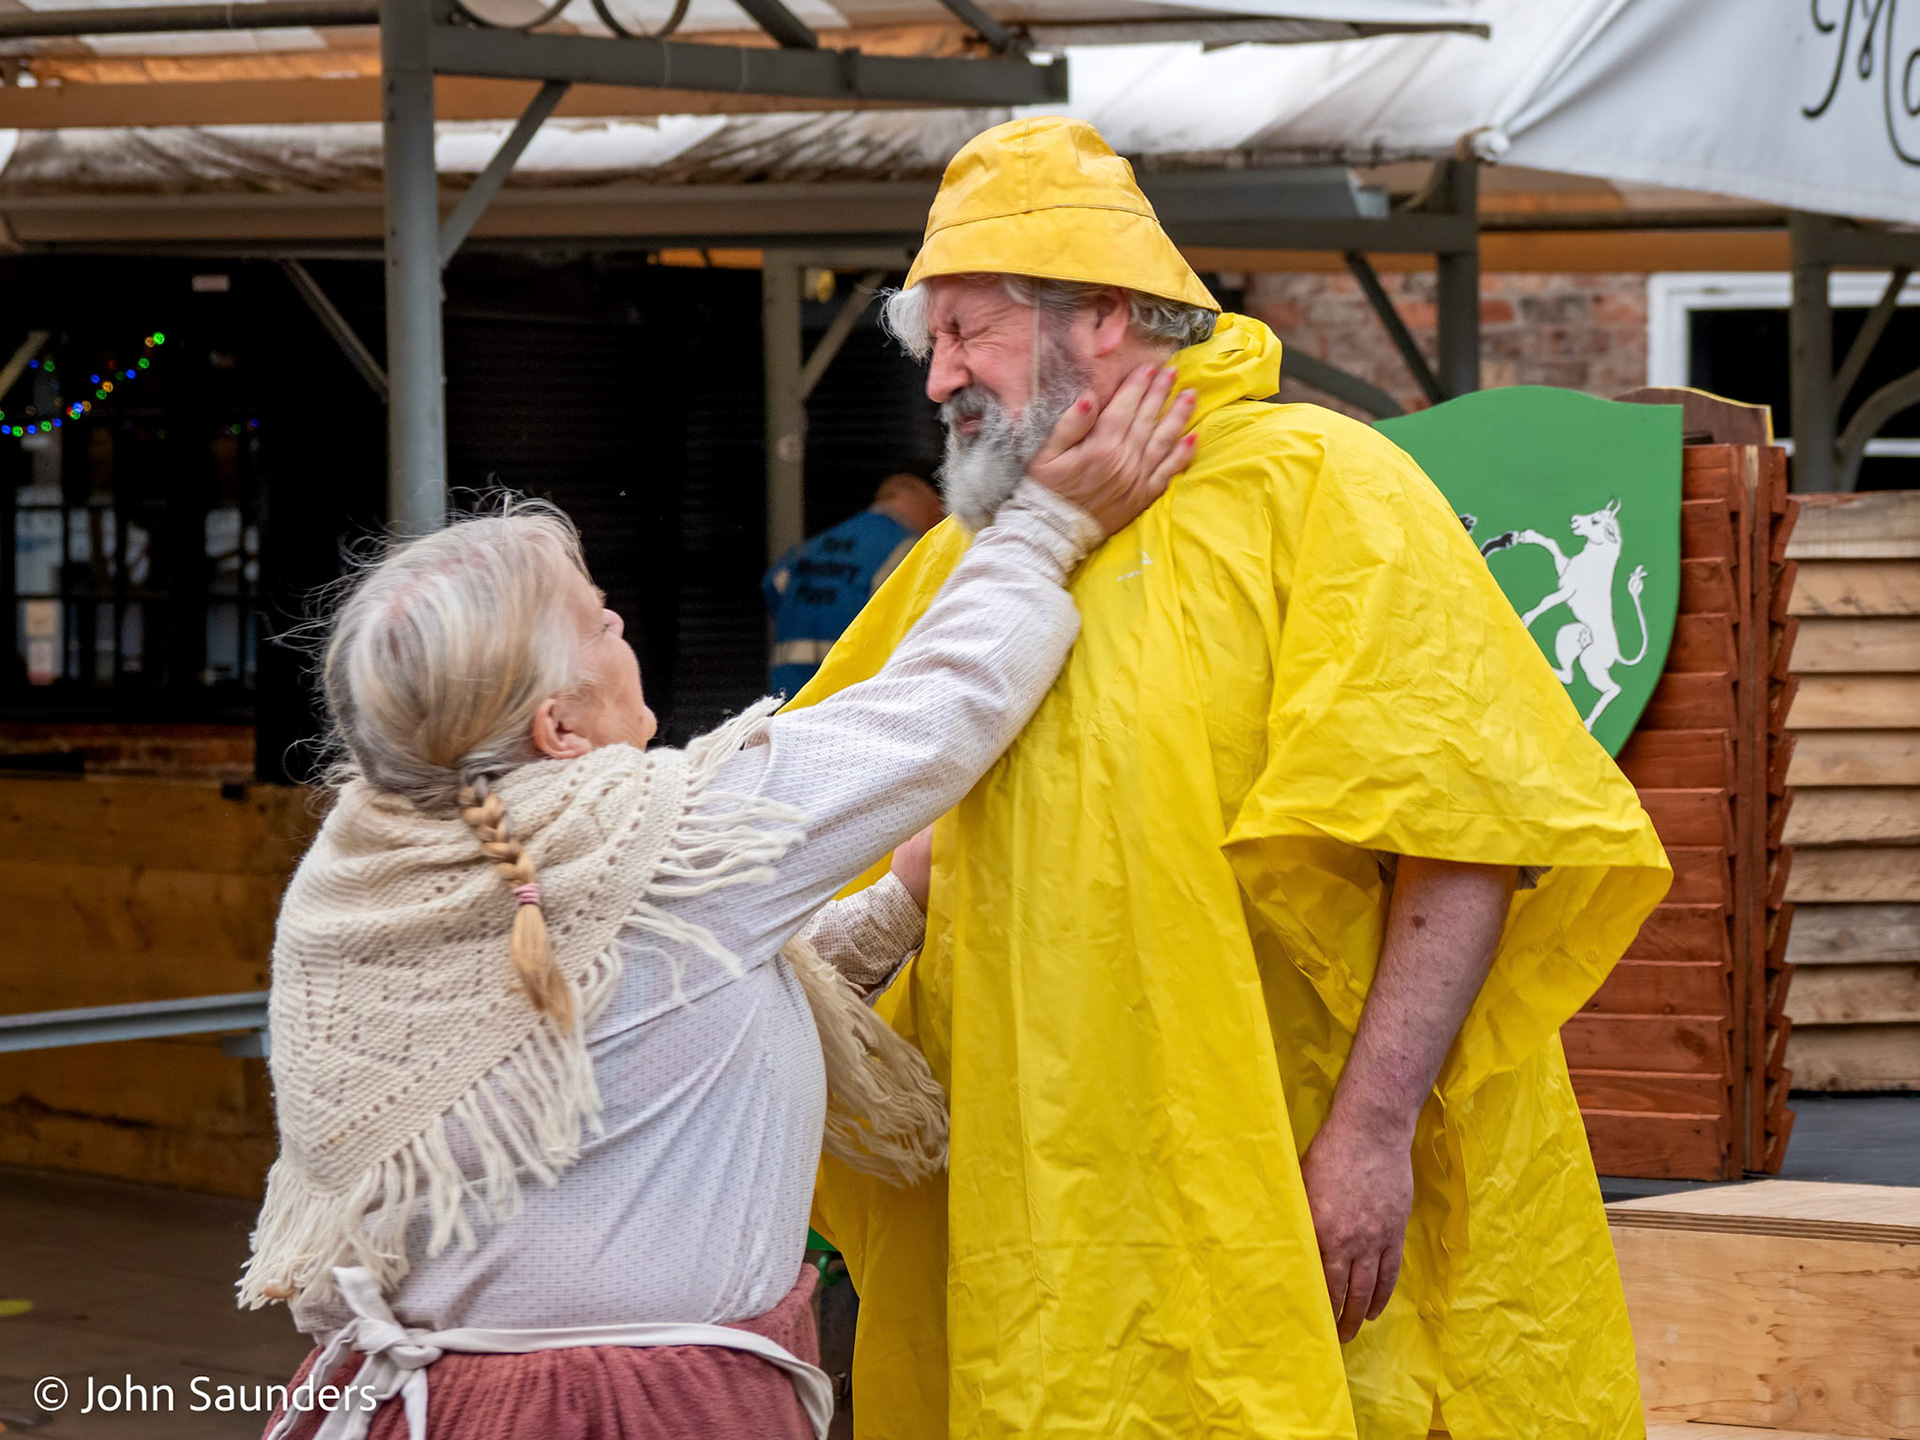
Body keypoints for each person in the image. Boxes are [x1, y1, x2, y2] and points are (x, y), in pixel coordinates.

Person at [799, 118, 1674, 1440]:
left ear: (1097, 314)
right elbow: (846, 833)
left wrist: (1371, 1138)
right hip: (1030, 1212)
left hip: (1275, 1189)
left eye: (968, 333)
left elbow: (1464, 845)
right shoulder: (961, 571)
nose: (940, 381)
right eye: (937, 344)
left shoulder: (1333, 499)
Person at [238, 366, 1199, 1440]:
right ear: (560, 730)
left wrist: (895, 905)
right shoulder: (664, 836)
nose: (623, 631)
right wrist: (1050, 522)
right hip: (621, 1409)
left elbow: (656, 1014)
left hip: (398, 1404)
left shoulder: (367, 868)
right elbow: (944, 703)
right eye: (603, 624)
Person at [763, 464, 946, 697]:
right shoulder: (913, 552)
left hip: (786, 695)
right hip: (853, 699)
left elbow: (772, 586)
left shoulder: (813, 547)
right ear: (934, 503)